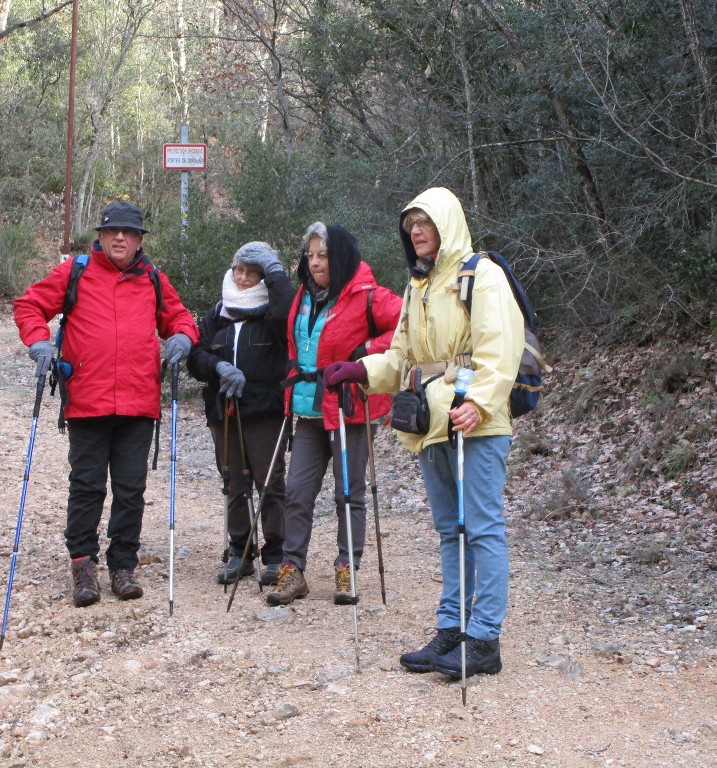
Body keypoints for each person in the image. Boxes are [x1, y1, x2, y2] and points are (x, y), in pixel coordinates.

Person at [325, 187, 524, 678]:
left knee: (482, 527)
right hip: (431, 422)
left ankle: (484, 638)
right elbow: (403, 358)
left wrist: (478, 402)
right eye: (411, 223)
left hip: (475, 420)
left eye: (425, 221)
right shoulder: (419, 286)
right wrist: (360, 370)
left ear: (447, 224)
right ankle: (453, 628)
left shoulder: (482, 275)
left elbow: (501, 347)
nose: (416, 230)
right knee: (450, 530)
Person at [13, 200, 199, 608]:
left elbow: (180, 318)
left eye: (129, 233)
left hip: (138, 402)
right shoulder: (76, 271)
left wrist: (183, 336)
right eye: (112, 231)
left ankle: (122, 566)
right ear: (100, 235)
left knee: (131, 490)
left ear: (138, 241)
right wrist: (38, 341)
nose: (120, 237)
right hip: (87, 400)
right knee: (87, 487)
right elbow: (29, 305)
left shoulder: (152, 278)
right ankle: (83, 566)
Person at [267, 223, 402, 607]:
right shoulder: (303, 296)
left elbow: (406, 326)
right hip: (309, 408)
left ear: (339, 255)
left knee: (349, 492)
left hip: (350, 408)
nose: (314, 263)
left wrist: (365, 350)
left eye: (322, 255)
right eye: (309, 255)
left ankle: (348, 566)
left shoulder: (367, 294)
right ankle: (293, 569)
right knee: (297, 491)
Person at [186, 242, 293, 587]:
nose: (243, 277)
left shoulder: (274, 315)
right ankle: (240, 552)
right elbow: (196, 357)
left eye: (252, 271)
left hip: (265, 413)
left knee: (271, 484)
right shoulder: (218, 312)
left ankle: (276, 555)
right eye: (239, 270)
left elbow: (286, 319)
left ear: (263, 276)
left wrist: (277, 273)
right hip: (224, 412)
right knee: (233, 483)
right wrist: (218, 366)